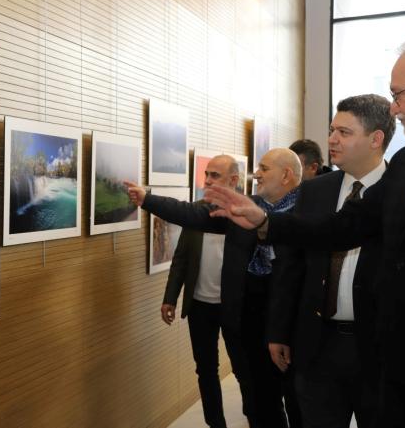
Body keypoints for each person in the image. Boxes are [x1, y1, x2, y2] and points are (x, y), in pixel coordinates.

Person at [204, 33, 405, 428]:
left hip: (390, 352)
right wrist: (266, 221)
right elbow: (344, 226)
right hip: (357, 354)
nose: (394, 107)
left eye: (399, 94)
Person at [126, 148, 304, 428]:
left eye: (264, 168)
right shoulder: (247, 207)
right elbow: (191, 214)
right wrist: (148, 199)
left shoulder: (310, 213)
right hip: (248, 325)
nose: (256, 173)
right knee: (261, 402)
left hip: (294, 330)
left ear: (286, 175)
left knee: (299, 404)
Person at [268, 94, 395, 428]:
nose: (331, 140)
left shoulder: (401, 193)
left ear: (375, 139)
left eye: (343, 132)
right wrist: (279, 330)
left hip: (380, 351)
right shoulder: (315, 191)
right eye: (331, 130)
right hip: (317, 345)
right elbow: (291, 266)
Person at [162, 155, 239, 428]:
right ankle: (216, 423)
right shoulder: (196, 213)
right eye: (206, 174)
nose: (206, 180)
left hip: (234, 306)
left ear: (233, 180)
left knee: (243, 368)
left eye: (214, 175)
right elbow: (181, 258)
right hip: (200, 305)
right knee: (206, 370)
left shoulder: (245, 213)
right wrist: (170, 298)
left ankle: (256, 414)